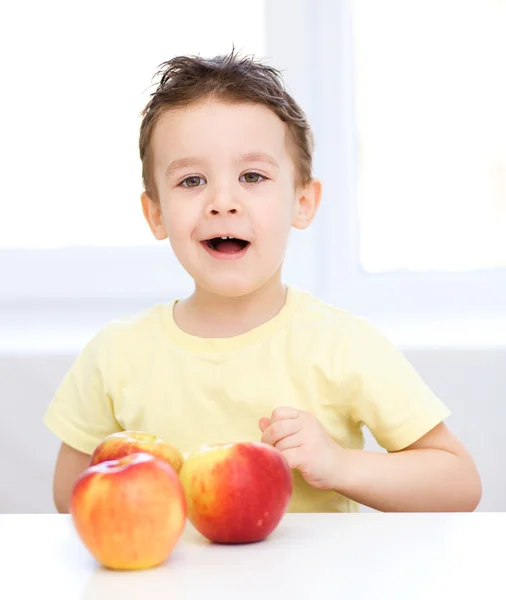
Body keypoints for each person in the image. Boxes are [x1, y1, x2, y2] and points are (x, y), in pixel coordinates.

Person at [44, 50, 482, 514]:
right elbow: (69, 502)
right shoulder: (115, 356)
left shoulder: (341, 345)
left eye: (252, 176)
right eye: (192, 180)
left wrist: (339, 465)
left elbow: (458, 484)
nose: (222, 201)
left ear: (303, 202)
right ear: (155, 214)